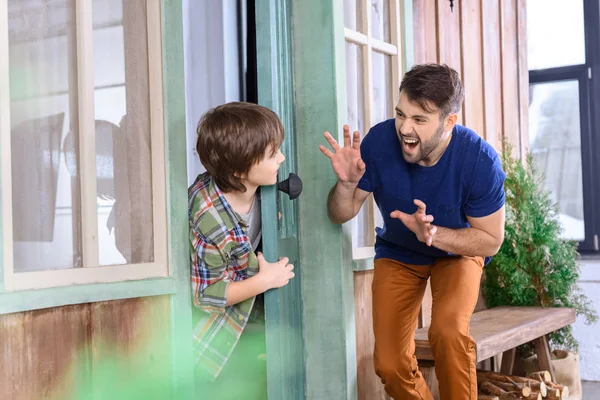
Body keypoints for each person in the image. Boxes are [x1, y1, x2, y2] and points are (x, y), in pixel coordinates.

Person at [320, 64, 506, 400]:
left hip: (456, 253)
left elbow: (491, 240)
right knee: (390, 364)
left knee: (448, 334)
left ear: (449, 122)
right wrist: (346, 185)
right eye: (400, 114)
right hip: (399, 253)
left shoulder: (479, 161)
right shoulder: (378, 142)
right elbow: (340, 213)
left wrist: (434, 234)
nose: (405, 128)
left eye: (419, 119)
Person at [189, 102, 295, 398]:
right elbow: (206, 295)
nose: (282, 158)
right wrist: (264, 281)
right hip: (218, 338)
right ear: (239, 169)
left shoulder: (261, 188)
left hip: (253, 315)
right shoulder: (209, 219)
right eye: (273, 154)